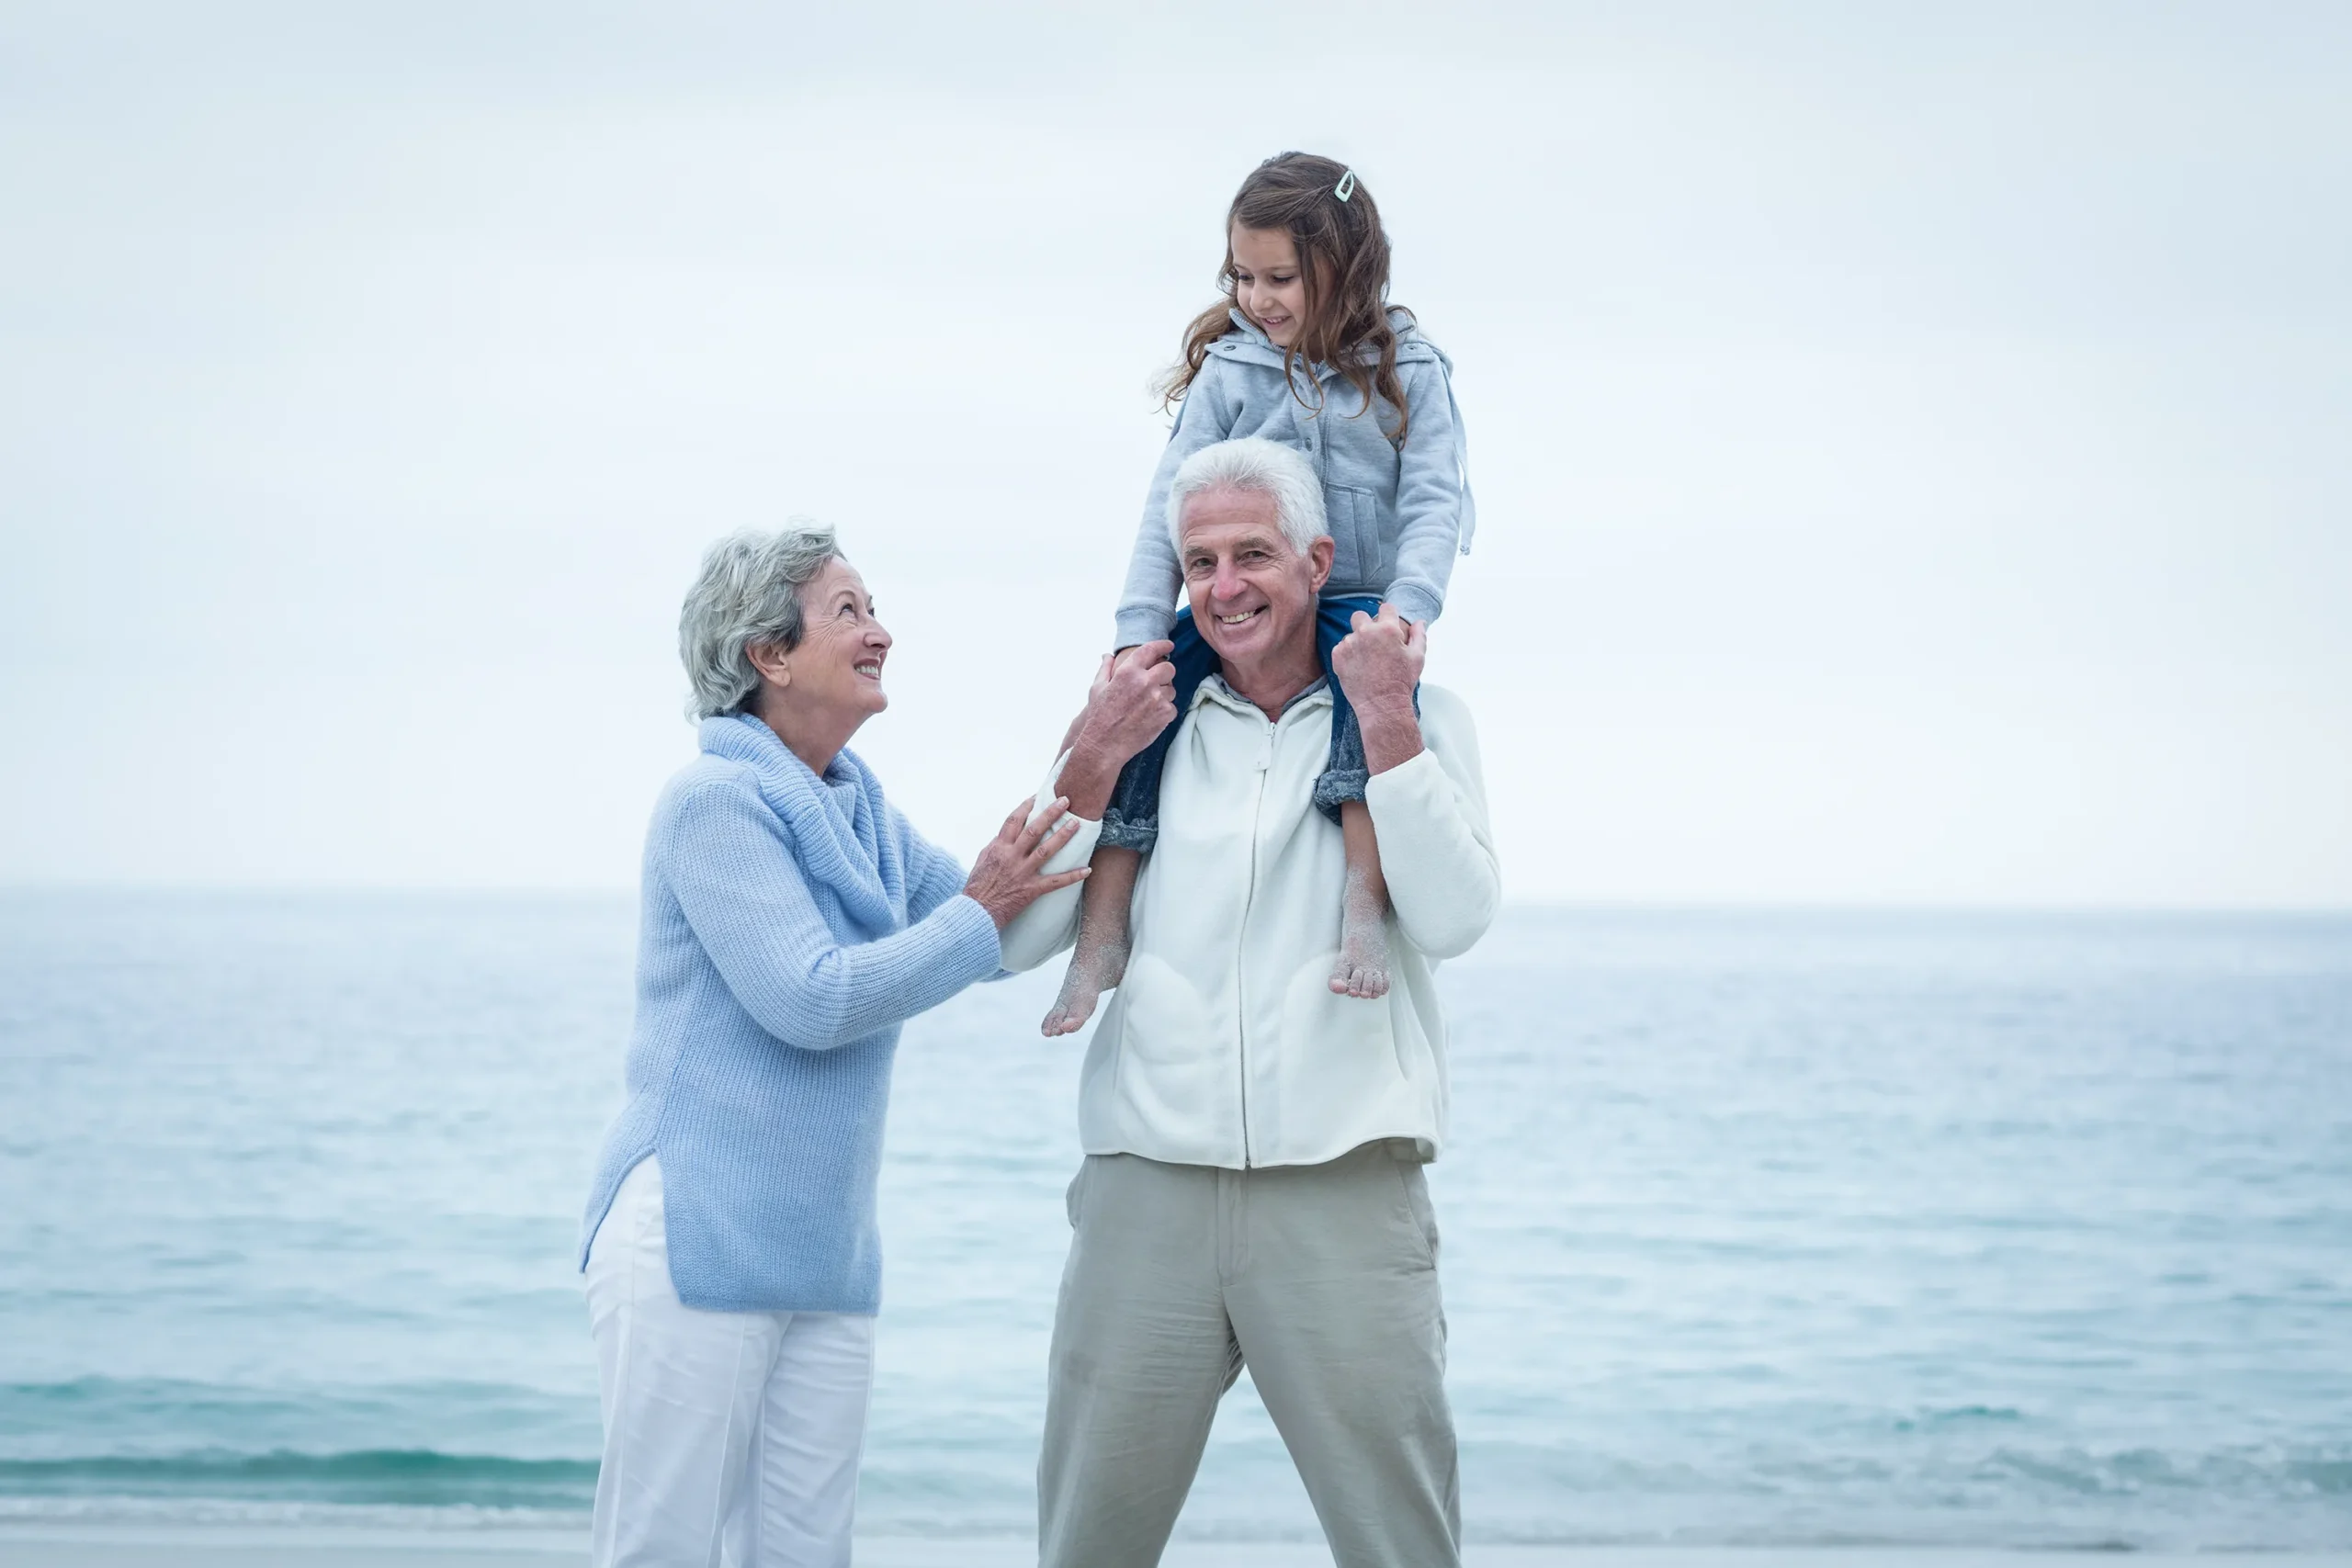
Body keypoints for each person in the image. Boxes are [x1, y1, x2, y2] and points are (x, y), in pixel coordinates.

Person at [575, 524, 1171, 1568]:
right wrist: (981, 907)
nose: (880, 632)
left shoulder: (857, 808)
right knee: (660, 1549)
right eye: (847, 611)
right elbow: (811, 998)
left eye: (874, 609)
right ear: (768, 652)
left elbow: (997, 934)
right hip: (695, 1235)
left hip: (826, 1253)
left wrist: (1095, 753)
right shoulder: (713, 804)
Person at [1003, 438, 1500, 1568]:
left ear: (1318, 562)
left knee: (1399, 1546)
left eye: (1252, 555)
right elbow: (1017, 940)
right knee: (1086, 1547)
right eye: (1199, 563)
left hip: (1344, 1190)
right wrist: (1088, 756)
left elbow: (1455, 920)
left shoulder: (1422, 713)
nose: (1223, 588)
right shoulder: (1140, 722)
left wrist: (1388, 724)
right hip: (1145, 1192)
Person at [1043, 150, 1476, 1037]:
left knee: (1366, 713)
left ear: (1345, 268)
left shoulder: (1410, 369)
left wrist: (1408, 610)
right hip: (1240, 593)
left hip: (1358, 598)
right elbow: (1165, 509)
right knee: (1141, 713)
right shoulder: (1231, 372)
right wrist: (1137, 632)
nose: (1257, 297)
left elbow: (1435, 499)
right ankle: (1102, 928)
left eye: (1280, 277)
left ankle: (1364, 903)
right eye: (1243, 275)